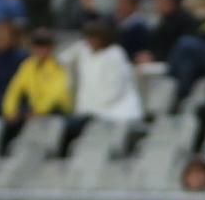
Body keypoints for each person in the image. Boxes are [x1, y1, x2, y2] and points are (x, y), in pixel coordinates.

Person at [59, 21, 144, 152]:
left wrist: (93, 111)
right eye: (89, 38)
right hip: (89, 112)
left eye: (95, 38)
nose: (91, 42)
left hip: (114, 112)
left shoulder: (115, 55)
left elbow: (114, 91)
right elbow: (62, 60)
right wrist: (80, 45)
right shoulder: (84, 50)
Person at [0, 29, 71, 153]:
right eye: (38, 46)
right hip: (34, 108)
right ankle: (4, 154)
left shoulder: (58, 67)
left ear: (51, 48)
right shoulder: (27, 65)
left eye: (45, 46)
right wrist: (9, 110)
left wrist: (38, 111)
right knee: (11, 123)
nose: (41, 50)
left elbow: (56, 94)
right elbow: (14, 89)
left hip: (56, 109)